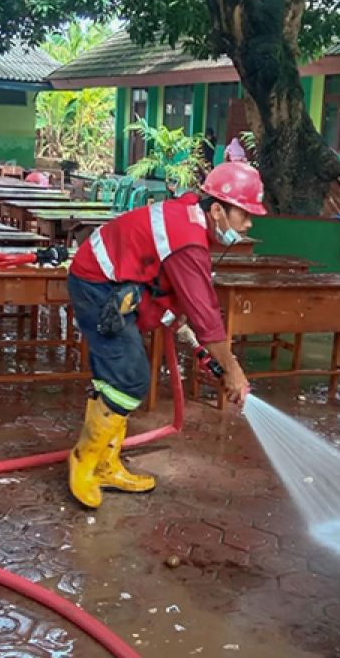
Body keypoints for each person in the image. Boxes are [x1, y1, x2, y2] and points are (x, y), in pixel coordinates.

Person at [65, 161, 265, 509]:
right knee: (129, 378)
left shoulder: (190, 218)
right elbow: (206, 318)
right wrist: (233, 371)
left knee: (114, 376)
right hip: (97, 284)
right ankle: (84, 461)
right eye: (244, 215)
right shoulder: (189, 240)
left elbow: (174, 288)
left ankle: (106, 465)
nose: (248, 225)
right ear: (217, 209)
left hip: (114, 282)